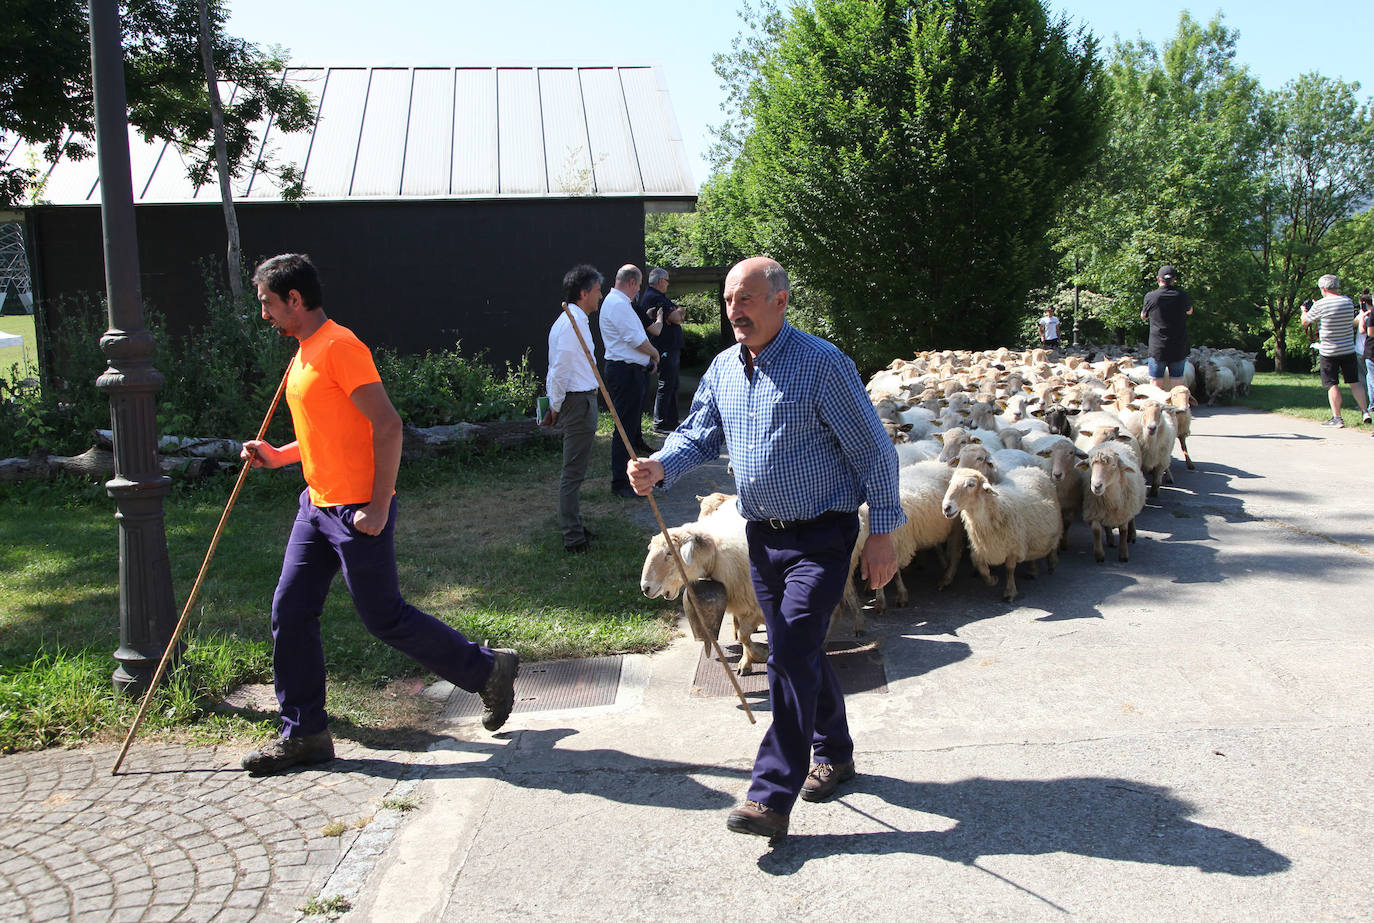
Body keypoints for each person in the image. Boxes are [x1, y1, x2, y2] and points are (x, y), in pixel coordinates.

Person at [627, 257, 905, 842]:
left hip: (823, 534)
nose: (735, 310)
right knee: (791, 648)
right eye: (730, 300)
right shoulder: (726, 367)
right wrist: (659, 466)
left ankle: (771, 792)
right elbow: (699, 432)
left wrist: (882, 531)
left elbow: (876, 453)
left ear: (780, 301)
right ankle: (837, 749)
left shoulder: (822, 365)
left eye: (747, 298)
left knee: (793, 644)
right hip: (761, 537)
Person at [239, 254, 518, 776]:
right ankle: (305, 734)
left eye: (268, 304)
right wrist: (279, 455)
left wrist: (379, 502)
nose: (265, 315)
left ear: (294, 299)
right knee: (290, 610)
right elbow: (332, 431)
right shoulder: (304, 353)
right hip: (316, 505)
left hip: (356, 510)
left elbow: (387, 426)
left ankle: (487, 669)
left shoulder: (341, 347)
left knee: (383, 616)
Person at [542, 265, 604, 552]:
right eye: (597, 290)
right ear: (584, 293)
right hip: (577, 402)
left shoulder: (576, 320)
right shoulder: (571, 323)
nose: (600, 295)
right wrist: (554, 407)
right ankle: (573, 537)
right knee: (573, 472)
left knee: (576, 471)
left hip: (582, 400)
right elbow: (559, 371)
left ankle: (575, 525)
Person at [599, 264, 659, 497]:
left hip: (631, 370)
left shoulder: (621, 304)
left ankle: (631, 478)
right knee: (624, 429)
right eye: (639, 284)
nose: (639, 289)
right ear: (632, 282)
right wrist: (653, 354)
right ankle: (621, 484)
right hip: (625, 372)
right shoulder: (617, 304)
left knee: (630, 428)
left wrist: (647, 360)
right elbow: (634, 339)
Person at [1301, 274, 1369, 428]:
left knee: (1333, 384)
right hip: (1348, 348)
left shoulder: (1320, 305)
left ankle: (1337, 418)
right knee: (1355, 382)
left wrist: (1304, 310)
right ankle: (1365, 411)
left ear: (1323, 288)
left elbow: (1305, 322)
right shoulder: (1347, 301)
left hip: (1329, 350)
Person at [641, 267, 686, 433]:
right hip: (664, 347)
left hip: (670, 347)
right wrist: (677, 312)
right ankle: (660, 423)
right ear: (660, 281)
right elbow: (676, 317)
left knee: (672, 384)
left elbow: (678, 315)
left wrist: (678, 311)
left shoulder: (660, 297)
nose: (668, 284)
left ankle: (671, 421)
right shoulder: (654, 297)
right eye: (667, 280)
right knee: (666, 384)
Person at [1141, 265, 1193, 390]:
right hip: (1178, 346)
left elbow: (1144, 316)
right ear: (1174, 279)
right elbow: (1190, 311)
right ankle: (1178, 408)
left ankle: (1156, 408)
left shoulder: (1151, 296)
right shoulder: (1182, 295)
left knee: (1155, 384)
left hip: (1158, 347)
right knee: (1177, 382)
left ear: (1158, 279)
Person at [1356, 291, 1373, 425]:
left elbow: (1362, 329)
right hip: (1365, 350)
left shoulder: (1368, 316)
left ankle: (1367, 404)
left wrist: (1362, 316)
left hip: (1365, 351)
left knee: (1366, 379)